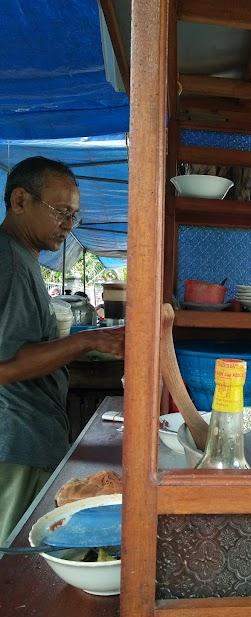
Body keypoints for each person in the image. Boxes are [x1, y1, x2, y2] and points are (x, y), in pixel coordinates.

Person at [0, 156, 125, 543]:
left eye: (74, 215)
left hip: (29, 434)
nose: (69, 225)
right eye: (60, 212)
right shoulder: (10, 263)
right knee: (15, 555)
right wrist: (86, 339)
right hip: (15, 438)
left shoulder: (23, 258)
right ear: (20, 201)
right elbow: (5, 364)